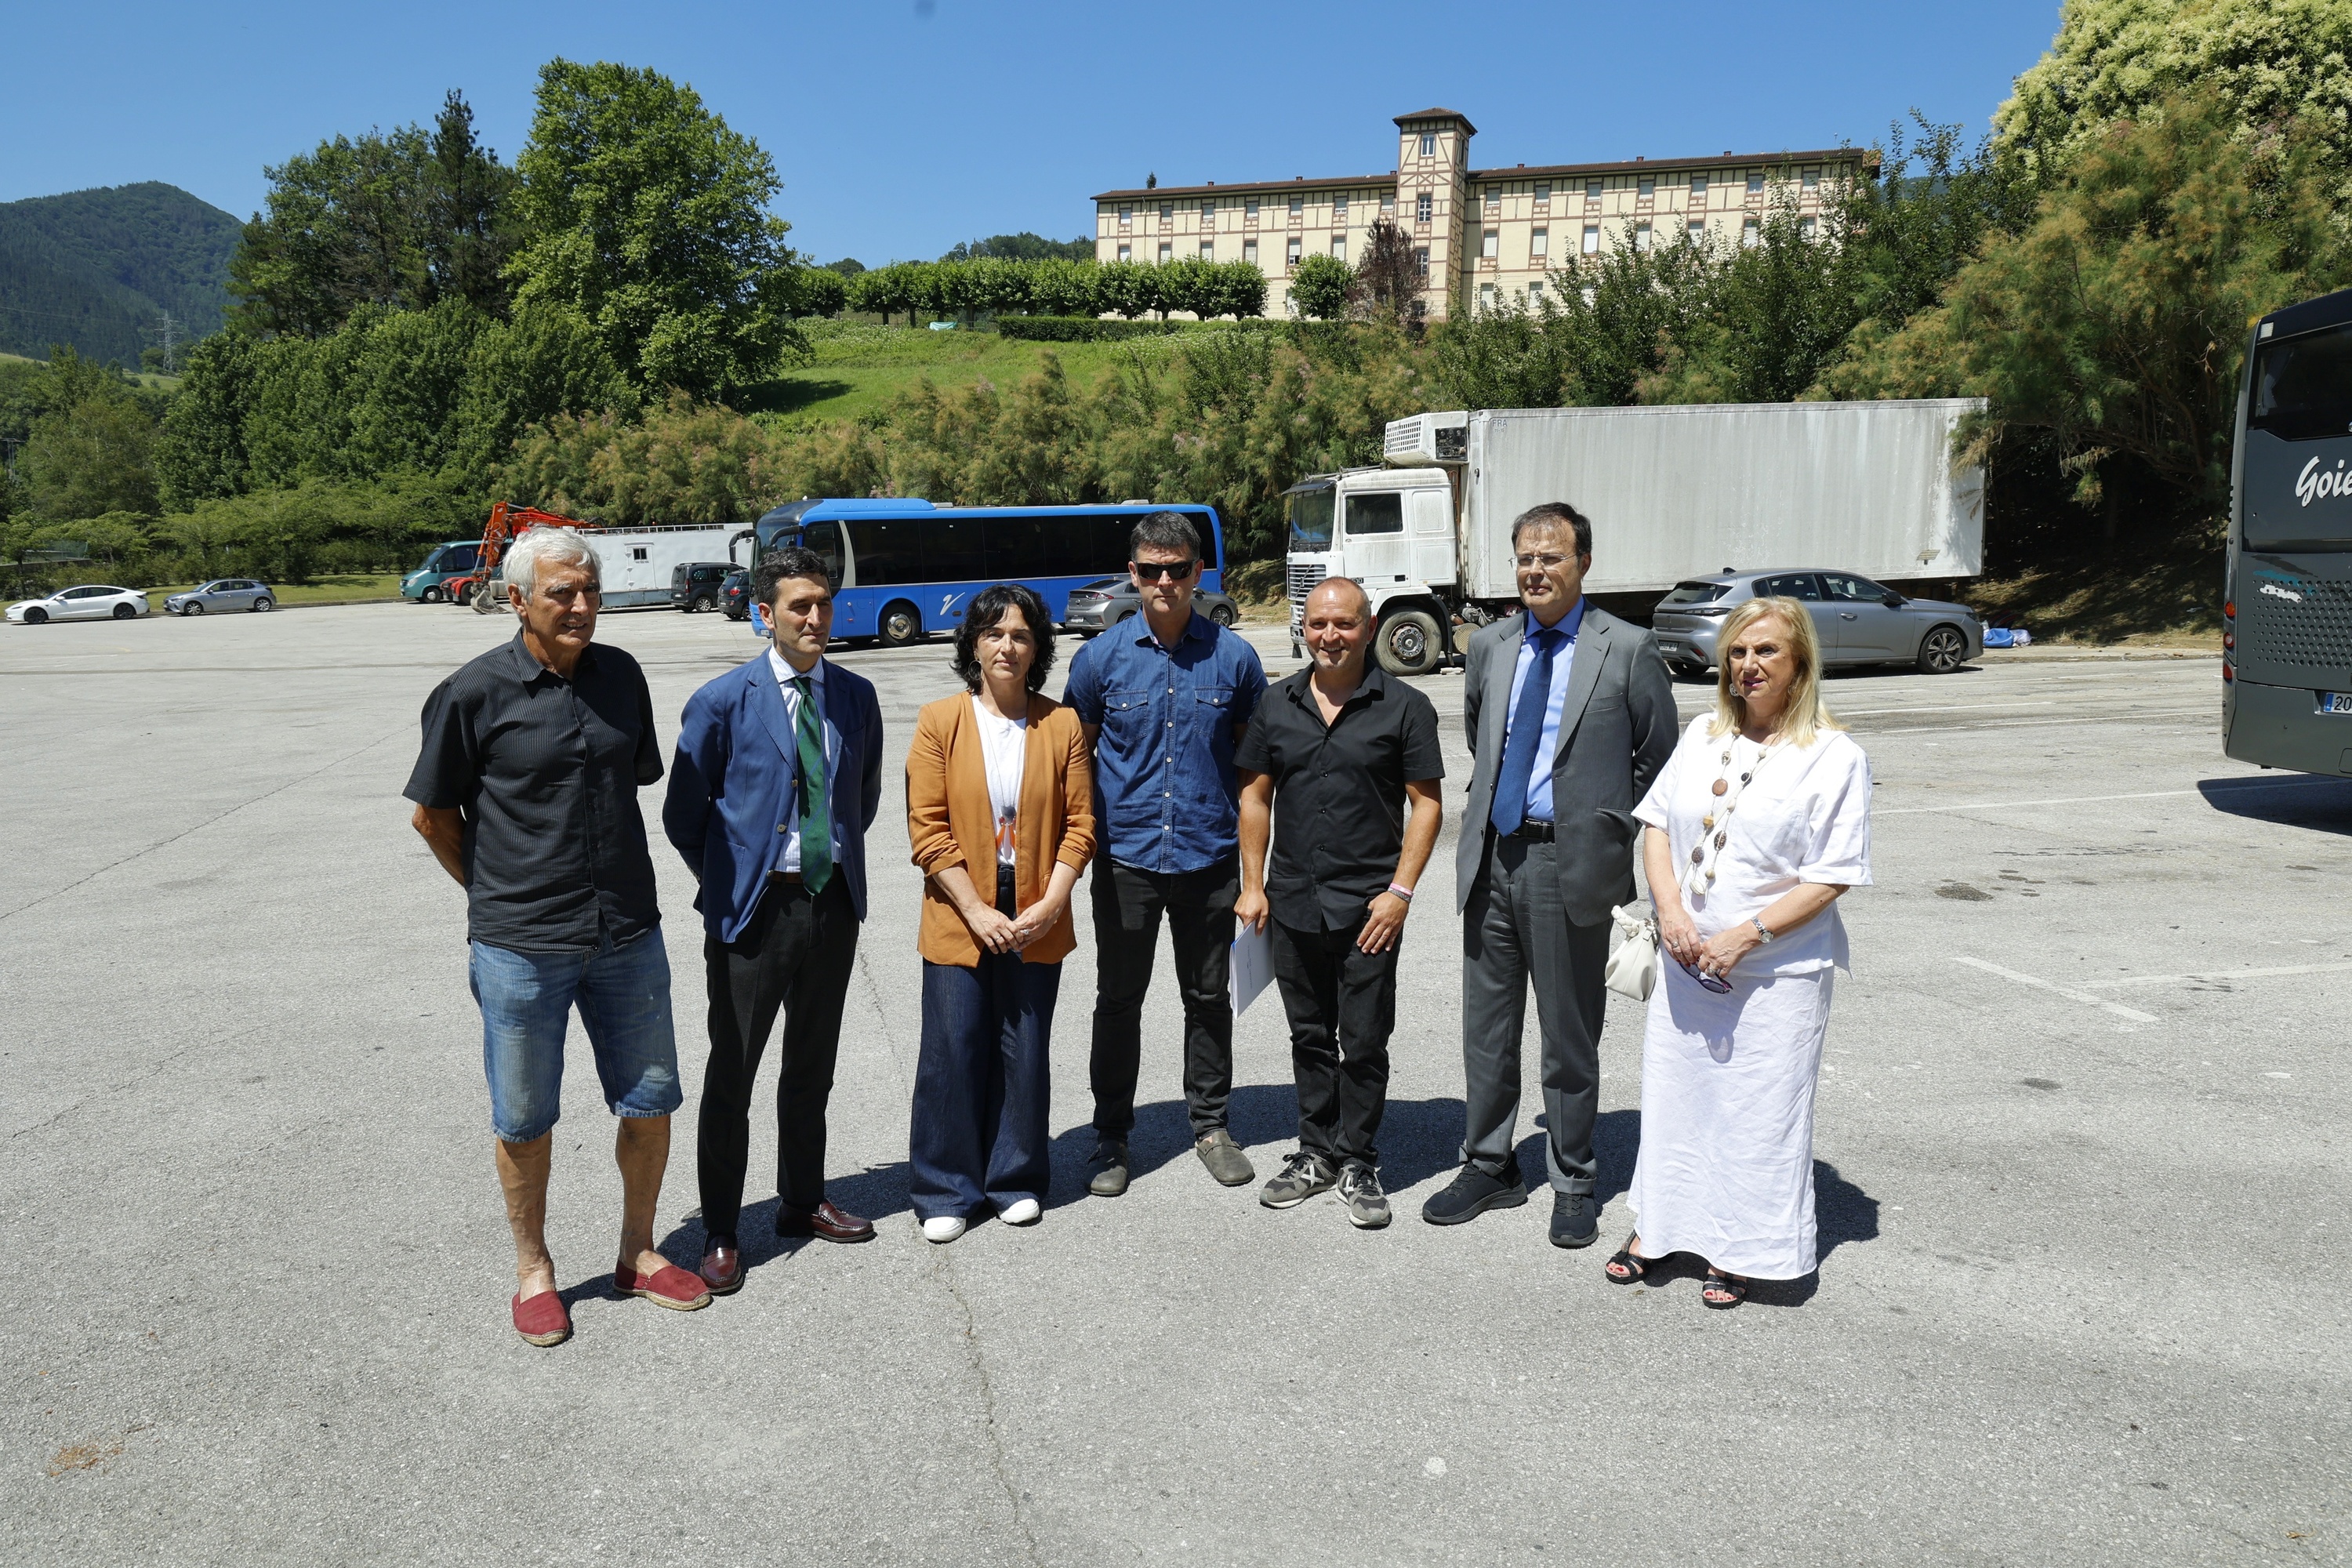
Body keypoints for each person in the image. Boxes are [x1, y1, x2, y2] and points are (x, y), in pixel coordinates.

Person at [405, 527, 710, 1348]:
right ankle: (534, 1269)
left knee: (651, 1102)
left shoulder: (622, 677)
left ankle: (637, 1251)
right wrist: (496, 895)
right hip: (521, 948)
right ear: (517, 600)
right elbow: (433, 816)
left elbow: (633, 778)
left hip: (626, 934)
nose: (580, 606)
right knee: (525, 1116)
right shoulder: (472, 694)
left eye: (588, 590)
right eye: (560, 593)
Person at [1427, 501, 1678, 1247]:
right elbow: (1482, 735)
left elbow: (1658, 757)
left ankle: (1573, 1177)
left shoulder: (1627, 649)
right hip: (1493, 857)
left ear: (1584, 564)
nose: (1536, 570)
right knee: (1487, 1030)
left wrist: (1603, 819)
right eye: (1525, 559)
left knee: (1569, 1035)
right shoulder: (1492, 645)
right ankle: (1490, 1162)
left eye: (1552, 558)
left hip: (1571, 863)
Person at [1608, 597, 1871, 1307]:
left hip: (1777, 973)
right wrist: (1670, 914)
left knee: (1758, 1112)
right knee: (1677, 1102)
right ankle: (1658, 1231)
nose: (1747, 666)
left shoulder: (1834, 757)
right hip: (1687, 962)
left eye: (1765, 653)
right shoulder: (1701, 735)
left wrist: (1745, 935)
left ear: (1801, 664)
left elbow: (1833, 873)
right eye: (1737, 652)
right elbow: (1656, 826)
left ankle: (1743, 1248)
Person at [662, 546, 886, 1296]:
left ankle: (801, 1199)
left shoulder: (856, 697)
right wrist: (734, 881)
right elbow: (685, 815)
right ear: (766, 613)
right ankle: (721, 1226)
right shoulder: (724, 700)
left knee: (812, 1068)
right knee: (734, 1072)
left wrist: (827, 864)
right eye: (800, 606)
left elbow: (863, 797)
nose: (815, 617)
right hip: (753, 914)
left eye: (823, 603)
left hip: (830, 906)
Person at [1063, 510, 1268, 1196]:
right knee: (1118, 999)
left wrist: (1252, 875)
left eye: (1178, 570)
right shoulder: (1098, 658)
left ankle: (1211, 1125)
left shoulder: (1235, 659)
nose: (1165, 582)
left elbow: (1252, 776)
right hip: (1126, 862)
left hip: (1208, 860)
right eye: (1151, 570)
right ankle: (1111, 1136)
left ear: (1198, 572)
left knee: (1208, 998)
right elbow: (1074, 759)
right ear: (1133, 573)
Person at [1235, 579, 1444, 1229]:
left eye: (1345, 624)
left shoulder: (1404, 707)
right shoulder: (1278, 703)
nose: (1331, 636)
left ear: (1369, 625)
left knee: (1363, 1039)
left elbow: (1427, 805)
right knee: (1309, 1037)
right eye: (1320, 624)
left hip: (1369, 912)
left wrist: (1400, 894)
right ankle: (1315, 1154)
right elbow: (1255, 798)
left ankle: (1357, 1159)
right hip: (1294, 902)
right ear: (1306, 627)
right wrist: (1252, 884)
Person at [904, 584, 1097, 1243]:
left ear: (1037, 646)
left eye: (1019, 634)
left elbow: (1081, 824)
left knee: (1024, 1048)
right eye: (993, 633)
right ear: (974, 645)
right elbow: (927, 830)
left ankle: (1013, 1178)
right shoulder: (940, 721)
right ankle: (944, 1188)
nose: (1006, 646)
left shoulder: (1060, 724)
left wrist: (1053, 899)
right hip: (961, 909)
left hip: (1037, 908)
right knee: (953, 1049)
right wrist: (976, 909)